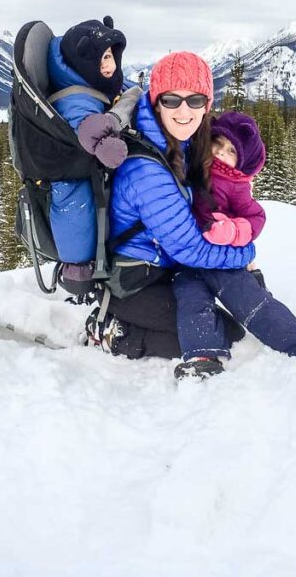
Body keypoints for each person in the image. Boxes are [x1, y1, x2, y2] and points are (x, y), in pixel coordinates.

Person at [84, 51, 255, 360]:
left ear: (207, 105)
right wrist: (245, 253)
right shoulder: (146, 171)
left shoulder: (183, 142)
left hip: (166, 267)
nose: (184, 111)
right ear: (156, 102)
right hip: (135, 280)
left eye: (195, 100)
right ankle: (111, 330)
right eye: (172, 100)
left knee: (236, 316)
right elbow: (190, 249)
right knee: (221, 333)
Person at [174, 110, 296, 379]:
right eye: (217, 144)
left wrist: (233, 231)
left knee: (252, 303)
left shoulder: (236, 184)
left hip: (224, 260)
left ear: (241, 158)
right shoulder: (191, 166)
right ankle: (203, 355)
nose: (220, 152)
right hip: (188, 262)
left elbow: (255, 216)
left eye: (230, 150)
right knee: (192, 303)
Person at [45, 17, 140, 286]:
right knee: (78, 213)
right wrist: (107, 146)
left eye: (109, 56)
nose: (107, 65)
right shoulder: (75, 98)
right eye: (100, 60)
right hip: (72, 175)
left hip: (86, 170)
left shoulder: (95, 84)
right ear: (83, 64)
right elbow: (87, 130)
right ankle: (77, 272)